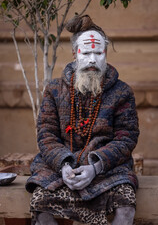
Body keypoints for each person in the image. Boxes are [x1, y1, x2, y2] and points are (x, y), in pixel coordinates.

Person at [26, 15, 139, 225]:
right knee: (40, 204)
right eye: (86, 52)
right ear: (75, 55)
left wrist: (95, 167)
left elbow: (127, 138)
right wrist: (64, 166)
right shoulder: (54, 90)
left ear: (105, 54)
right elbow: (46, 134)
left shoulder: (122, 92)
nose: (93, 60)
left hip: (108, 169)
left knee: (126, 205)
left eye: (99, 53)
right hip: (60, 168)